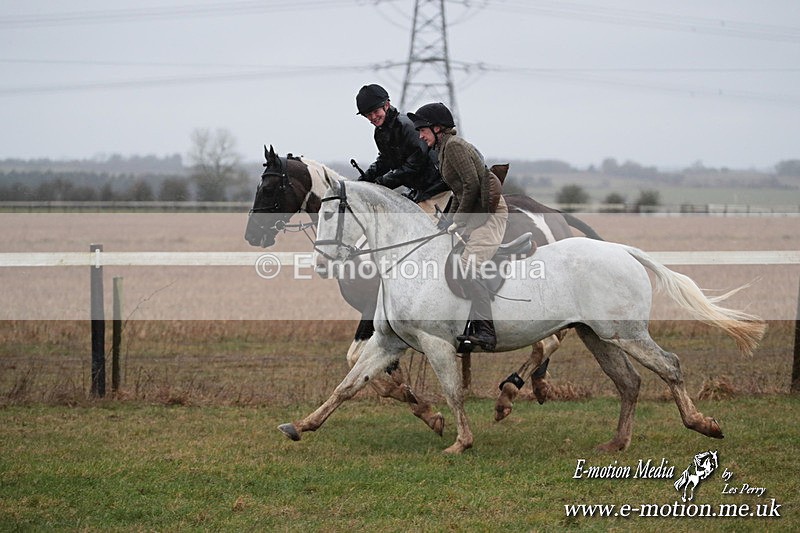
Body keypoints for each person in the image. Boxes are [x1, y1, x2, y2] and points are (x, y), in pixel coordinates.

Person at [407, 102, 508, 351]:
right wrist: (447, 222)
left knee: (466, 266)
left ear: (438, 128)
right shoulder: (444, 149)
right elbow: (459, 192)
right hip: (475, 212)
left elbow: (472, 186)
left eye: (423, 130)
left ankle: (486, 331)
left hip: (490, 213)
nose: (420, 135)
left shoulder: (454, 148)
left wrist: (457, 222)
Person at [355, 84, 450, 214]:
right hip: (419, 191)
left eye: (376, 112)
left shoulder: (407, 126)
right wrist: (364, 180)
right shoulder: (380, 133)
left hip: (437, 189)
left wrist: (382, 182)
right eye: (368, 115)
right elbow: (385, 160)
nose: (372, 118)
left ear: (386, 105)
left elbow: (415, 164)